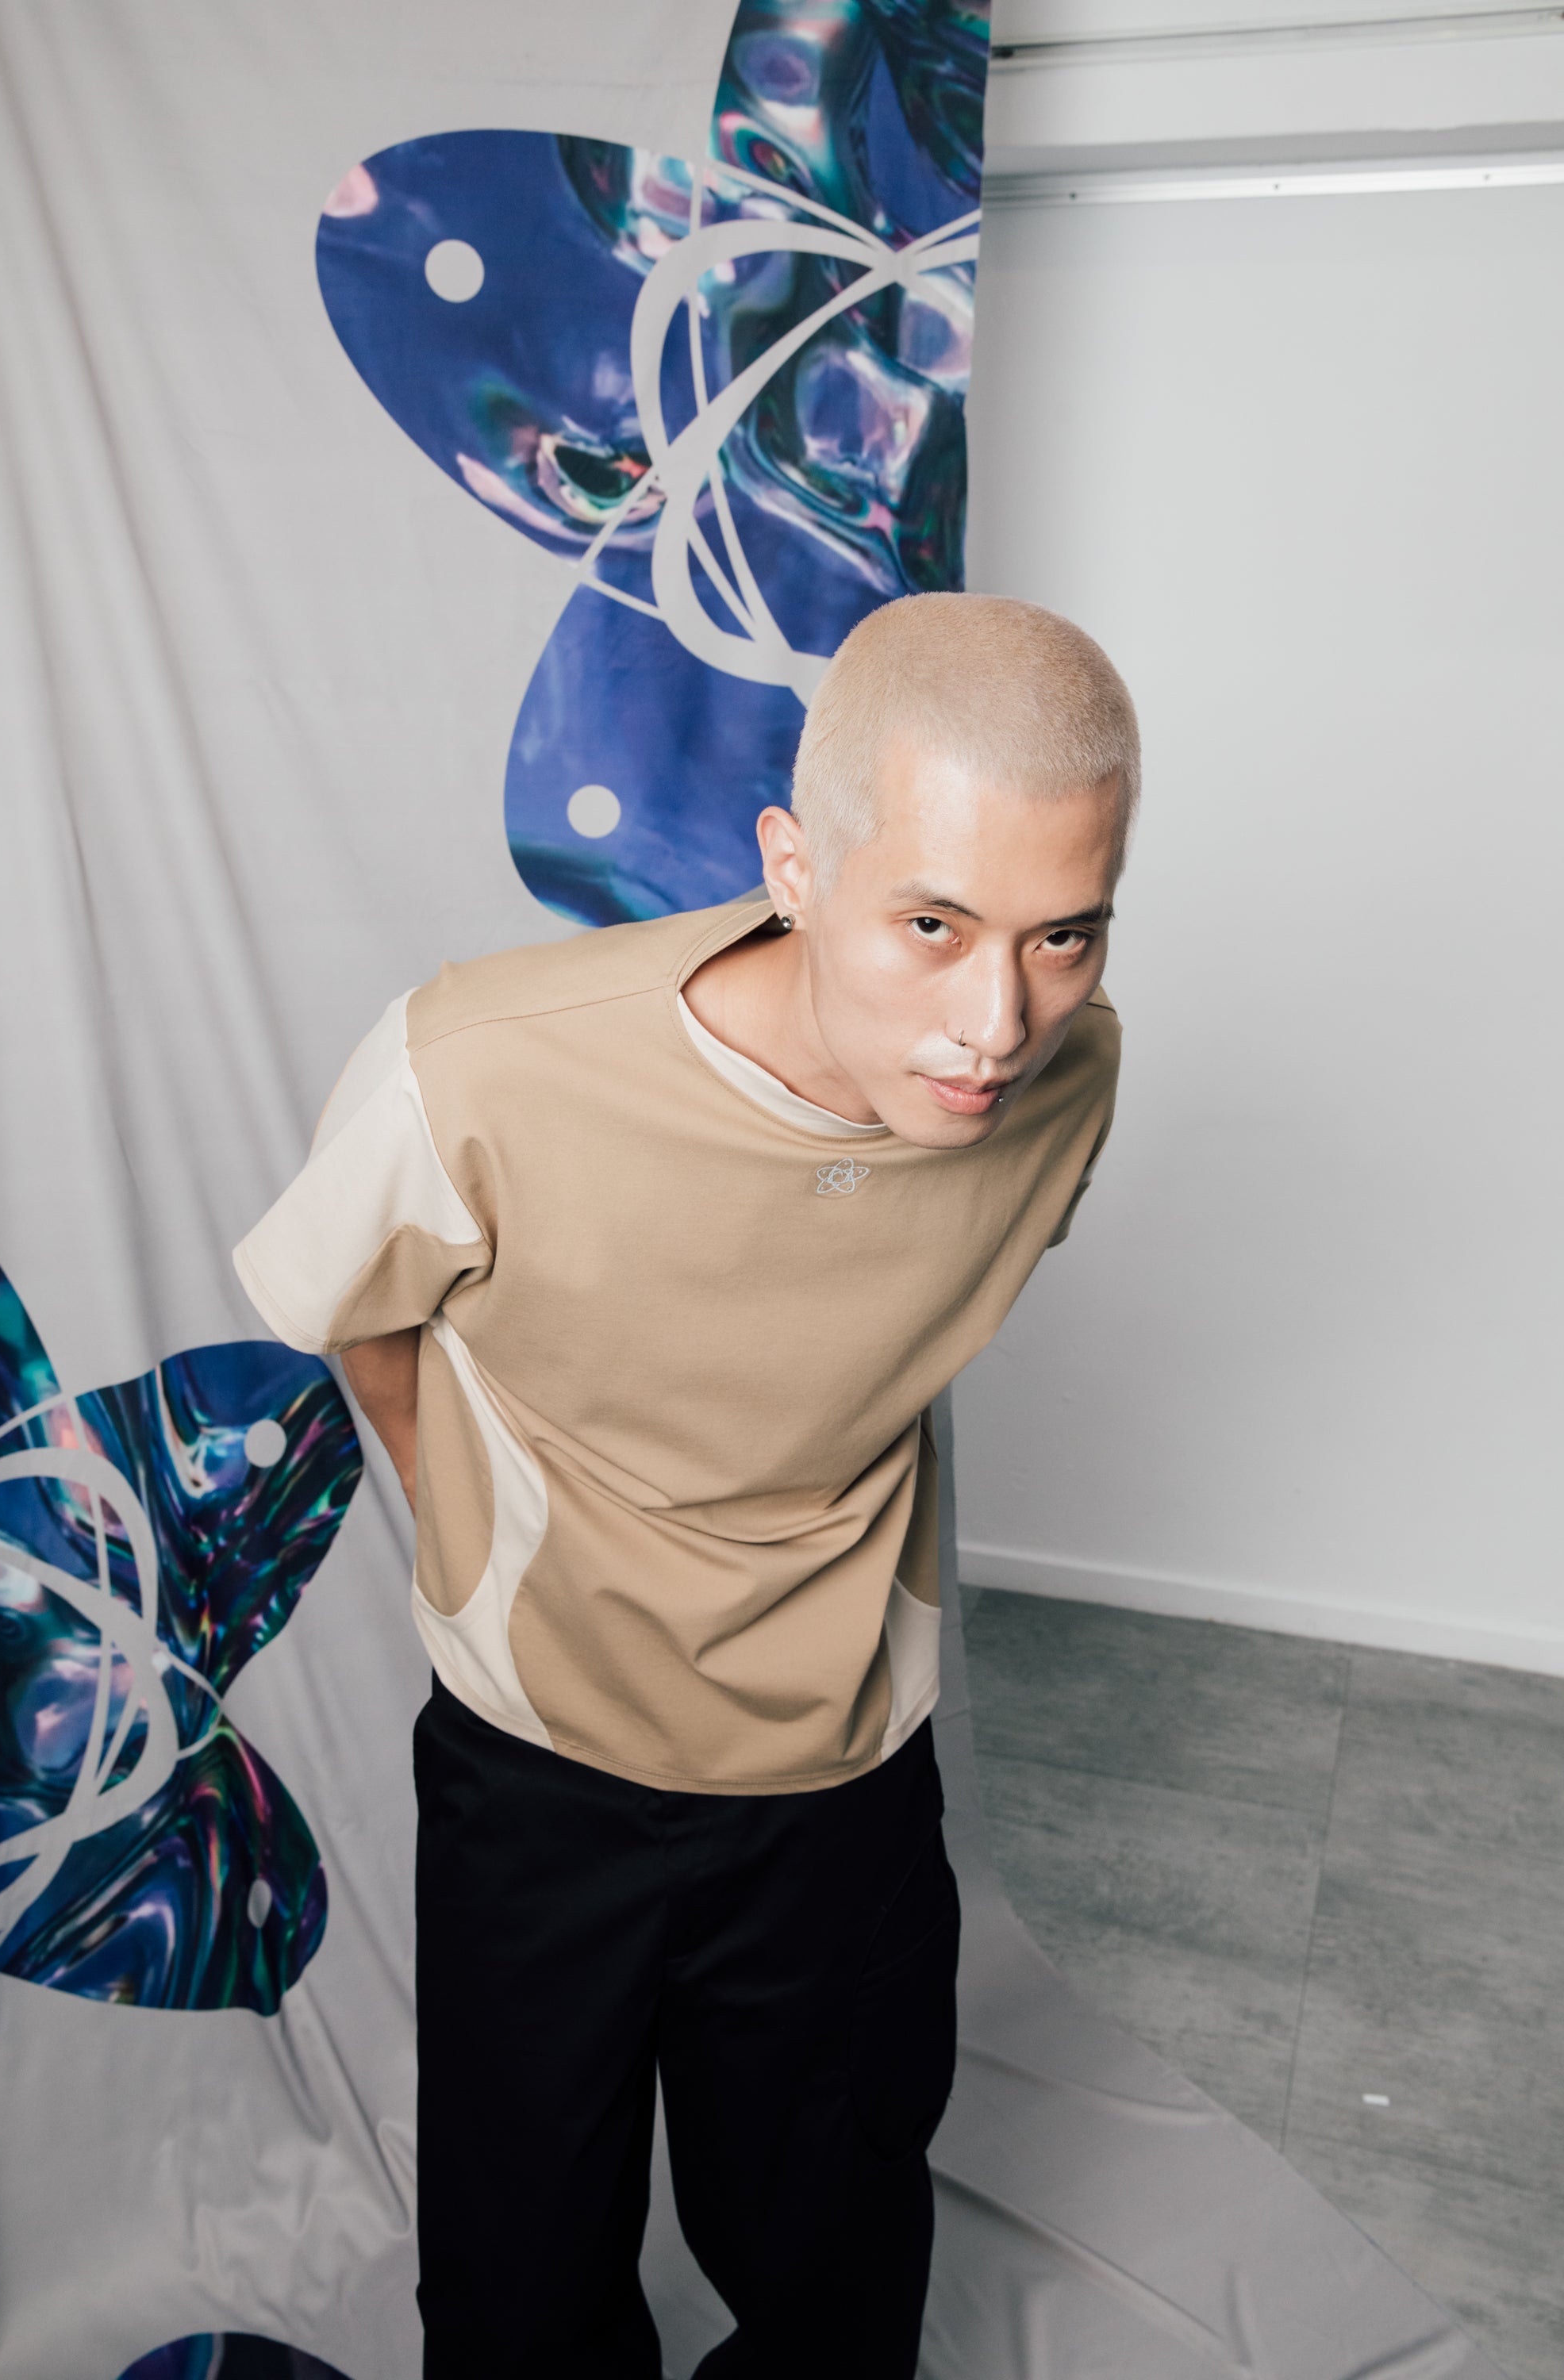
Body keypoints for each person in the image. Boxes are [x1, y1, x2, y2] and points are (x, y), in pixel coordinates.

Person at [233, 591, 1139, 2379]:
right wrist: (478, 1547)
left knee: (836, 2272)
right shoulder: (475, 1066)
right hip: (542, 1776)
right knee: (519, 2292)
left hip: (846, 1776)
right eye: (934, 924)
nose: (995, 1022)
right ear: (792, 867)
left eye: (1063, 937)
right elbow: (361, 1317)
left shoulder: (1072, 1079)